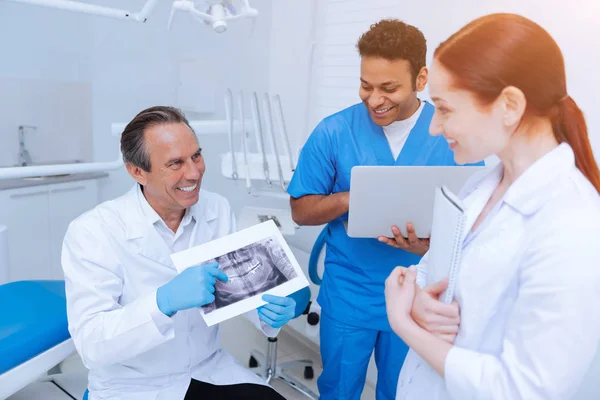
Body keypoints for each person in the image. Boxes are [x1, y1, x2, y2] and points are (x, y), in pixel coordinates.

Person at [384, 13, 600, 400]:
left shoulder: (574, 224)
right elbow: (432, 273)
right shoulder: (479, 186)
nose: (434, 127)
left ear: (510, 105)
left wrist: (405, 324)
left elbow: (525, 390)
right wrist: (414, 296)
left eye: (445, 109)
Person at [288, 19, 483, 400]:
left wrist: (429, 246)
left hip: (419, 296)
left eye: (389, 88)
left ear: (421, 78)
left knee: (401, 391)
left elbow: (473, 225)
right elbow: (301, 209)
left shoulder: (450, 135)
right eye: (366, 86)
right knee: (339, 389)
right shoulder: (334, 131)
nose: (375, 99)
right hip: (350, 292)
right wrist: (351, 197)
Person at [62, 106, 310, 400]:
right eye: (176, 163)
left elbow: (236, 290)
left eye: (196, 155)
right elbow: (92, 344)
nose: (194, 172)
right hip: (133, 386)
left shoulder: (215, 208)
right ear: (137, 171)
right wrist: (163, 302)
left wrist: (266, 310)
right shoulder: (93, 231)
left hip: (208, 370)